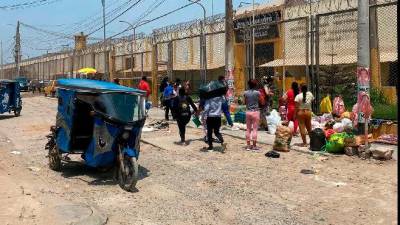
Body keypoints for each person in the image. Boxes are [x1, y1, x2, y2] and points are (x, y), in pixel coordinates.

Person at [244, 79, 261, 151]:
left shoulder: (245, 93)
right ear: (255, 85)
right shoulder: (257, 93)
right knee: (255, 129)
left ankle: (248, 145)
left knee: (248, 129)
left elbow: (245, 102)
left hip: (248, 112)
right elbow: (262, 101)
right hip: (255, 112)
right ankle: (254, 146)